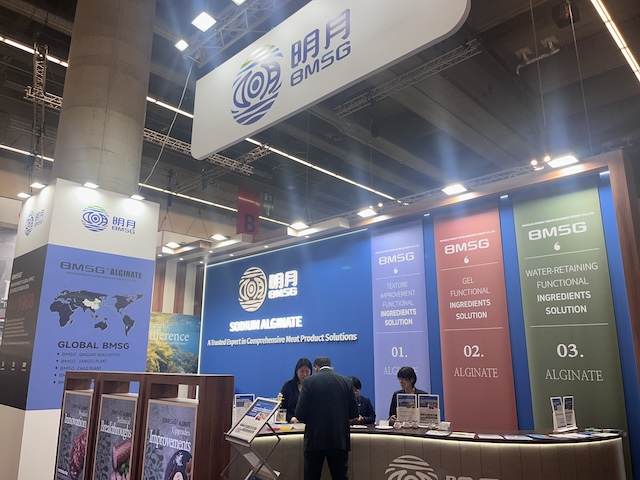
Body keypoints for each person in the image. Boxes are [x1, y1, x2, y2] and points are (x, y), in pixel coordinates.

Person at [295, 356, 359, 480]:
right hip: (339, 439)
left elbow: (299, 414)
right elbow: (354, 414)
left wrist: (312, 419)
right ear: (331, 367)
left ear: (315, 368)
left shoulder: (309, 382)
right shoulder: (346, 382)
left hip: (314, 440)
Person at [279, 357, 312, 423]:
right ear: (296, 371)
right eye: (302, 371)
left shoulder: (314, 386)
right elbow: (282, 408)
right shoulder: (288, 386)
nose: (304, 374)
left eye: (307, 372)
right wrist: (291, 418)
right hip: (292, 422)